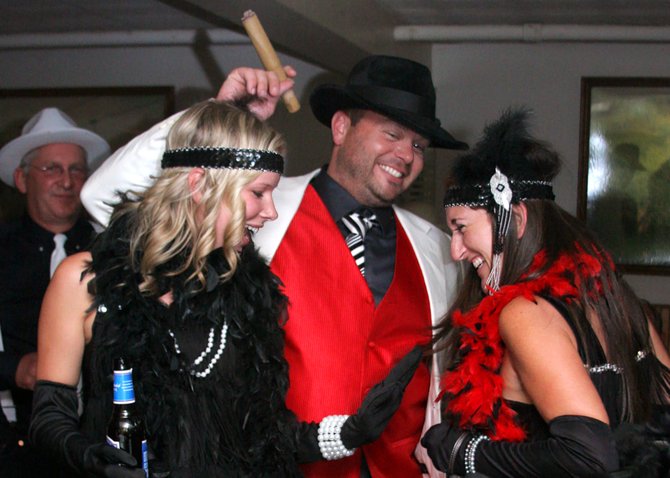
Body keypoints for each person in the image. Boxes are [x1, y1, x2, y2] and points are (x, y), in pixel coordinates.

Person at [80, 55, 467, 477]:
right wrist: (217, 116)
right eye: (392, 134)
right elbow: (102, 198)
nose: (406, 155)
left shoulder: (443, 251)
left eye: (418, 146)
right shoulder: (253, 209)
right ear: (341, 127)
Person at [419, 109, 670, 477]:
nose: (455, 251)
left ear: (515, 219)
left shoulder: (525, 312)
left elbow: (589, 456)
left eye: (461, 228)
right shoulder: (615, 297)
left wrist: (461, 451)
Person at [0, 107, 109, 475]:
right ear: (21, 178)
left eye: (77, 169)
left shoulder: (111, 250)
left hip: (98, 444)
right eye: (52, 169)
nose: (67, 181)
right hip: (15, 444)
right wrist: (16, 368)